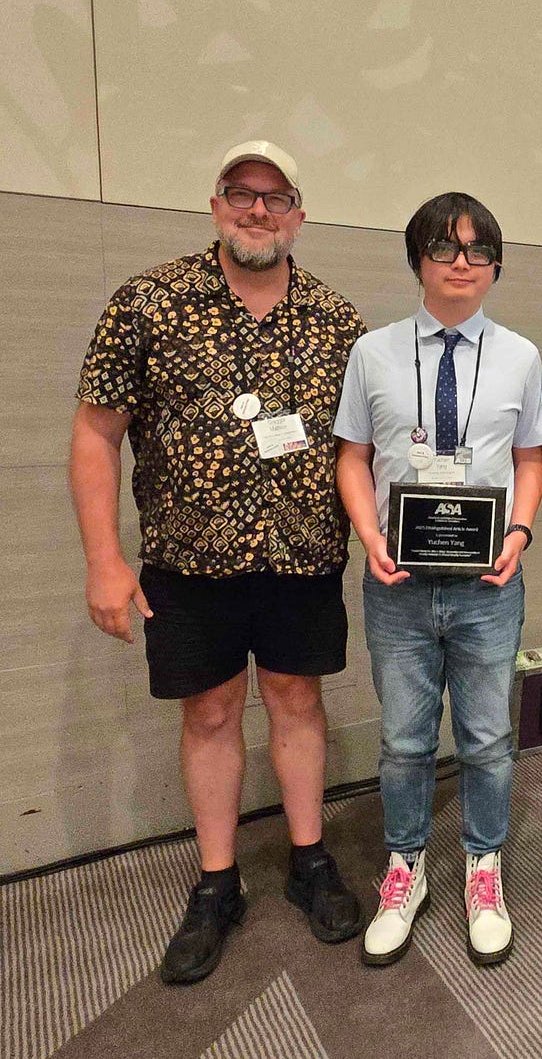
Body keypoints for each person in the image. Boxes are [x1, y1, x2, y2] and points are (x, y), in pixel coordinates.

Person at [70, 140, 366, 985]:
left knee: (297, 701)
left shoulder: (337, 319)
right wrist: (103, 559)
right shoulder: (151, 302)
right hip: (185, 563)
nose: (258, 210)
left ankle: (309, 860)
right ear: (215, 204)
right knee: (208, 713)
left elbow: (363, 446)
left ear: (299, 214)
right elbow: (96, 433)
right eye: (242, 193)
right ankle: (217, 882)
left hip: (301, 557)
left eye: (276, 198)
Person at [334, 193, 542, 967]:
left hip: (489, 585)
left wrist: (520, 532)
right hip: (398, 581)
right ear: (417, 257)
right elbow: (352, 455)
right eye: (445, 246)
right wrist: (368, 532)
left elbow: (531, 459)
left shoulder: (521, 355)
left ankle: (483, 869)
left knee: (489, 740)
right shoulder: (374, 352)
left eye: (478, 248)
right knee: (403, 741)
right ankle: (406, 867)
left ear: (495, 264)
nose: (462, 261)